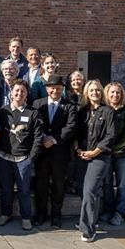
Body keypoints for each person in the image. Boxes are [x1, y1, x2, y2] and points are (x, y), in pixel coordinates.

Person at [0, 79, 43, 230]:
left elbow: (38, 137)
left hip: (23, 160)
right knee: (6, 189)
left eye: (22, 91)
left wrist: (31, 158)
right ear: (11, 93)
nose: (19, 93)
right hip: (4, 158)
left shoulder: (33, 113)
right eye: (16, 91)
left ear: (27, 94)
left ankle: (26, 217)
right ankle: (5, 214)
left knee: (24, 190)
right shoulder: (3, 112)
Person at [31, 75, 77, 229]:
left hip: (60, 153)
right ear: (46, 89)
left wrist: (54, 139)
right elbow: (34, 124)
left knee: (58, 185)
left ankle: (56, 215)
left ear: (62, 89)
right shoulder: (38, 104)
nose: (55, 90)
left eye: (58, 88)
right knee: (41, 184)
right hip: (42, 152)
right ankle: (41, 213)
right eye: (52, 87)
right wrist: (43, 137)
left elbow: (71, 126)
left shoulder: (69, 106)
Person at [75, 80, 116, 242]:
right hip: (82, 155)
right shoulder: (82, 111)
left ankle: (88, 229)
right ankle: (93, 219)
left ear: (102, 93)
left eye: (97, 90)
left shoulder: (108, 112)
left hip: (99, 157)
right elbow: (77, 133)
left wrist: (94, 152)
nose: (94, 93)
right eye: (91, 90)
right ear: (86, 93)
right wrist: (78, 149)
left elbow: (110, 136)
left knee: (90, 190)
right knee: (82, 189)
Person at [100, 82, 125, 226]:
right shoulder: (103, 109)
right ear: (107, 94)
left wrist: (111, 148)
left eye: (118, 93)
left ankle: (119, 213)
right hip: (106, 154)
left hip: (123, 154)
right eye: (112, 92)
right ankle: (108, 210)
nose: (115, 95)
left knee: (122, 185)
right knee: (107, 184)